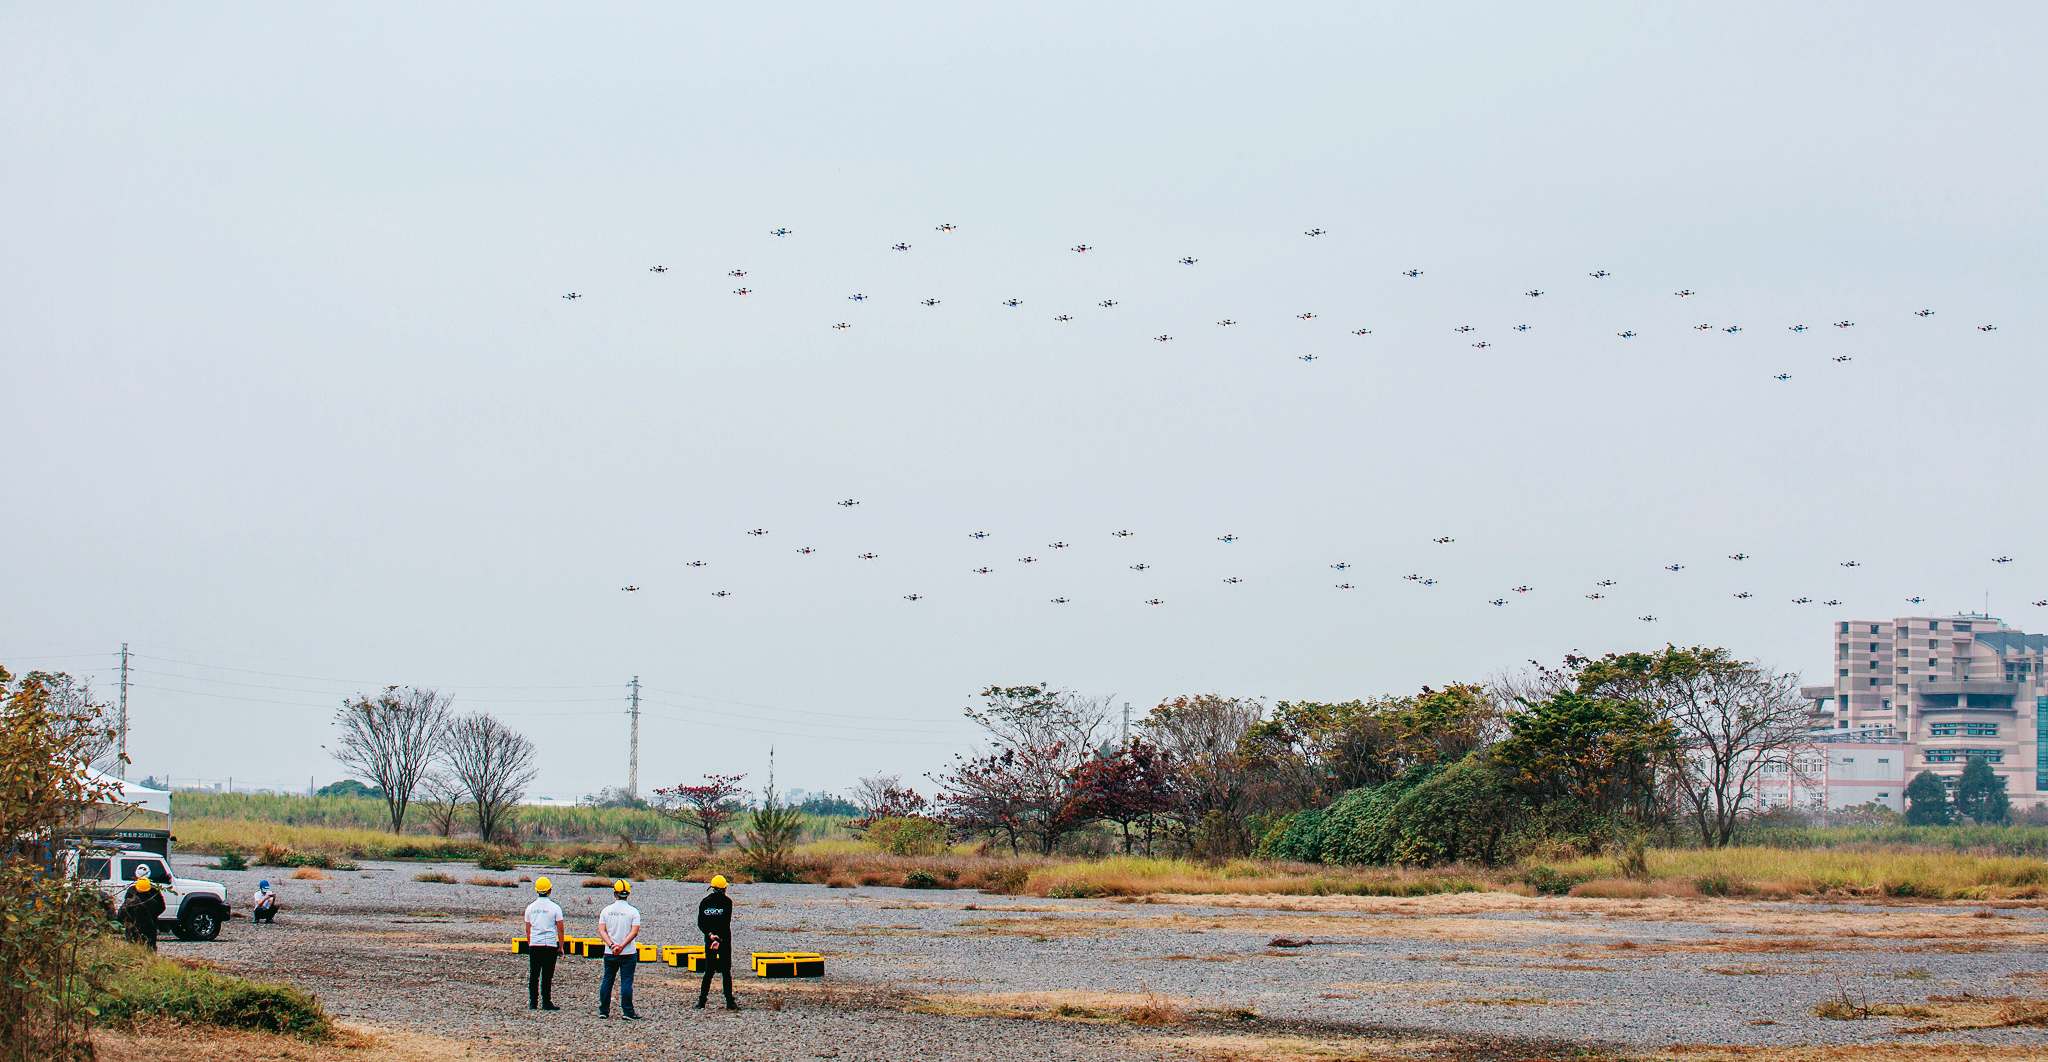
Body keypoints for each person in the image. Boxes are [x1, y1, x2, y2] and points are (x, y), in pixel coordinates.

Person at [595, 880, 642, 1020]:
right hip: (628, 952)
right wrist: (621, 946)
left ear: (615, 894)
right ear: (628, 894)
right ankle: (627, 1011)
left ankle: (604, 1010)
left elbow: (602, 930)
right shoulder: (633, 911)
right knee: (626, 982)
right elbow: (634, 932)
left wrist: (612, 945)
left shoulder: (606, 911)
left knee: (607, 980)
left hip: (610, 952)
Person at [696, 875, 740, 1010]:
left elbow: (701, 923)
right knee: (726, 971)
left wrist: (710, 935)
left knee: (709, 970)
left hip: (710, 941)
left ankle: (702, 1001)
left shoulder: (705, 902)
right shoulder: (727, 902)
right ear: (724, 888)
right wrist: (719, 939)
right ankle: (729, 1001)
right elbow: (725, 923)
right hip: (724, 940)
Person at [523, 877, 565, 1011]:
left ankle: (533, 1002)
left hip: (535, 944)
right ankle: (546, 1002)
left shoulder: (530, 908)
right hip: (549, 944)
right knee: (547, 974)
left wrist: (530, 944)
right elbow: (560, 929)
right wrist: (561, 946)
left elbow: (528, 929)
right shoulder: (555, 907)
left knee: (534, 974)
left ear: (537, 890)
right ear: (549, 890)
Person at [117, 875, 164, 951]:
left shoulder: (130, 900)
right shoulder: (154, 901)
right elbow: (161, 908)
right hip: (150, 929)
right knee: (150, 949)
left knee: (133, 950)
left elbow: (121, 914)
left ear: (137, 887)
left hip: (133, 929)